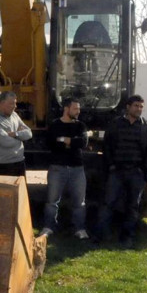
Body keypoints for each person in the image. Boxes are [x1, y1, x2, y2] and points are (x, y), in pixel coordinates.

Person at [95, 94, 147, 248]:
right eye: (136, 106)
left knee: (132, 207)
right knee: (108, 203)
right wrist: (111, 165)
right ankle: (101, 235)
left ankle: (127, 237)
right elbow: (107, 146)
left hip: (136, 173)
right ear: (128, 107)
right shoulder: (116, 124)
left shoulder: (146, 127)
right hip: (117, 171)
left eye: (141, 106)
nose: (139, 109)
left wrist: (144, 169)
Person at [40, 98, 89, 239]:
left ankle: (79, 228)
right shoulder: (55, 125)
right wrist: (70, 142)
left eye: (79, 109)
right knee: (52, 200)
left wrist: (64, 140)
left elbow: (83, 142)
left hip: (77, 168)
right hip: (57, 167)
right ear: (66, 109)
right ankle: (48, 227)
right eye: (75, 109)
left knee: (79, 201)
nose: (78, 112)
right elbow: (50, 143)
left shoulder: (81, 126)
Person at [0, 91, 32, 176]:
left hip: (20, 162)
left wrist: (16, 134)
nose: (15, 106)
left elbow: (29, 133)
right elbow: (6, 142)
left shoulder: (14, 115)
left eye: (15, 103)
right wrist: (21, 140)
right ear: (2, 103)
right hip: (4, 165)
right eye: (12, 103)